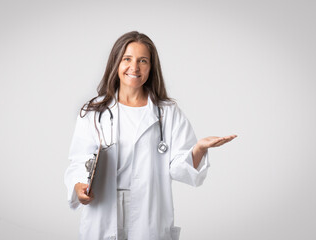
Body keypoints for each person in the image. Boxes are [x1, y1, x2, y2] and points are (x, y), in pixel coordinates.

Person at [64, 31, 236, 240]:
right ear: (116, 63)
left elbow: (180, 168)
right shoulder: (94, 111)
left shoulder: (167, 112)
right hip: (104, 204)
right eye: (127, 59)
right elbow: (79, 160)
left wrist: (199, 148)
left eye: (142, 61)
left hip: (149, 209)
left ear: (151, 67)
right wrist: (80, 186)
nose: (134, 67)